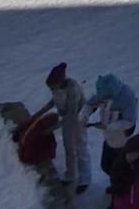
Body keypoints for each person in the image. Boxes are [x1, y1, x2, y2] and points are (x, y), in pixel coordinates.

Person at [31, 63, 91, 194]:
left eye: (53, 87)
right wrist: (39, 113)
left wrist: (53, 128)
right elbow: (53, 101)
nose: (52, 89)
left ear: (60, 82)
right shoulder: (56, 88)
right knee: (68, 147)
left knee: (80, 147)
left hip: (77, 119)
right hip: (66, 119)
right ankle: (70, 175)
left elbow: (71, 113)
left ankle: (85, 178)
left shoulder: (73, 88)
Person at [83, 73, 139, 184]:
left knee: (120, 169)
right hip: (109, 138)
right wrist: (84, 116)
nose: (102, 100)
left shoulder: (127, 97)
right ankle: (117, 184)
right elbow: (90, 104)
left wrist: (108, 126)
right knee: (106, 166)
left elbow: (129, 122)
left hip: (124, 140)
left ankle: (122, 191)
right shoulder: (104, 91)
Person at [109, 131, 139, 209]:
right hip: (124, 191)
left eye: (135, 154)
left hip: (138, 187)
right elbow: (114, 180)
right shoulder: (118, 164)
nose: (132, 156)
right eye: (130, 153)